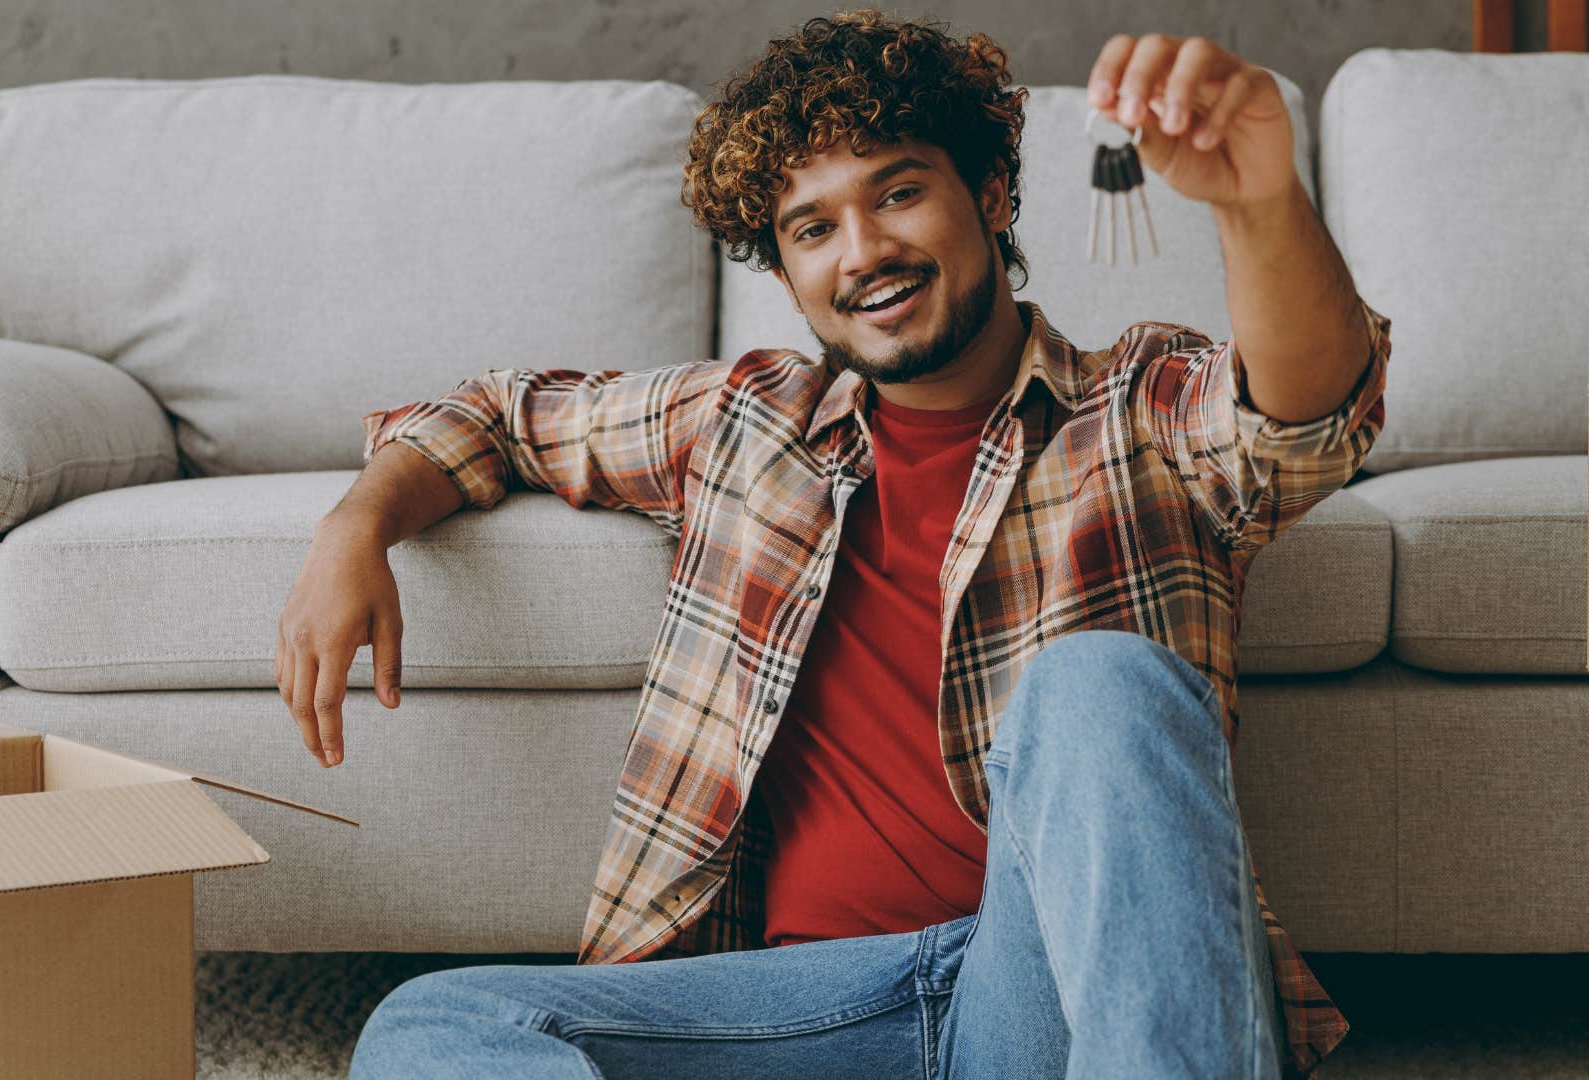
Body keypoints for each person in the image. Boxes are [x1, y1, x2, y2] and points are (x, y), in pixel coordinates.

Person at [276, 9, 1388, 1078]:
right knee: (440, 1024)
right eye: (813, 229)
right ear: (787, 271)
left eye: (899, 193)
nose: (864, 252)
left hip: (1042, 995)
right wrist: (355, 526)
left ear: (991, 196)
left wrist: (1259, 202)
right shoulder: (743, 421)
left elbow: (1303, 418)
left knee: (1101, 682)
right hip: (802, 1013)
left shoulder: (1139, 406)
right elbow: (501, 414)